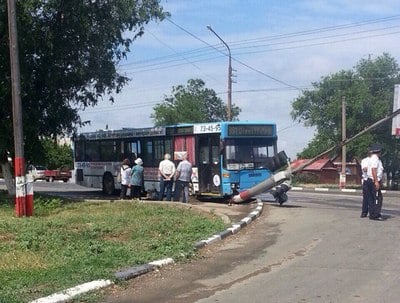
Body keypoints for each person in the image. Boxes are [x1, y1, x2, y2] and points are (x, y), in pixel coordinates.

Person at [365, 143, 384, 221]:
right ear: (379, 151)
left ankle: (372, 214)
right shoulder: (375, 159)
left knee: (371, 198)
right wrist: (376, 181)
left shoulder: (372, 158)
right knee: (378, 198)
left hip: (370, 180)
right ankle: (375, 215)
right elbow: (374, 169)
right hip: (373, 180)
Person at [360, 152, 371, 217]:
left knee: (374, 197)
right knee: (366, 198)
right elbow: (365, 169)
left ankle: (373, 212)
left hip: (374, 180)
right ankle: (364, 212)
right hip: (366, 180)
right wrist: (373, 168)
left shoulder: (377, 160)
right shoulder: (365, 160)